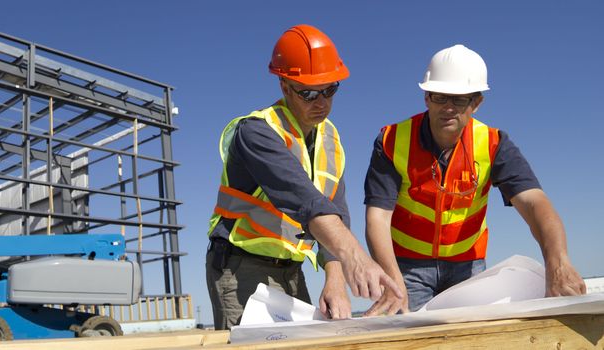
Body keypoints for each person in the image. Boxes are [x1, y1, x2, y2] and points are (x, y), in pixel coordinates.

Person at [363, 44, 587, 315]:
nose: (448, 108)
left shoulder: (494, 144)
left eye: (459, 99)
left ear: (476, 103)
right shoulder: (391, 141)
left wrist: (558, 263)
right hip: (405, 267)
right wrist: (391, 278)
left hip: (467, 266)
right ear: (426, 97)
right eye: (439, 97)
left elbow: (534, 204)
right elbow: (377, 218)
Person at [206, 24, 401, 330]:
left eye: (329, 89)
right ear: (285, 86)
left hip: (291, 269)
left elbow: (335, 210)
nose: (321, 102)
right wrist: (356, 258)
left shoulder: (330, 139)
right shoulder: (257, 132)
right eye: (309, 92)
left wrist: (335, 278)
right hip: (240, 265)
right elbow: (307, 202)